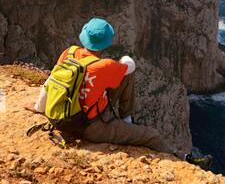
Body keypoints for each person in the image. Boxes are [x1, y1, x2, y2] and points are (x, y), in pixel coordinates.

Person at [26, 18, 212, 169]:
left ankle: (126, 122)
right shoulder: (104, 66)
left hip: (61, 115)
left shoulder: (69, 53)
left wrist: (40, 108)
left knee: (123, 77)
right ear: (105, 44)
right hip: (90, 127)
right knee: (151, 135)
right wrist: (122, 59)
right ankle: (184, 159)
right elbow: (130, 66)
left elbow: (50, 82)